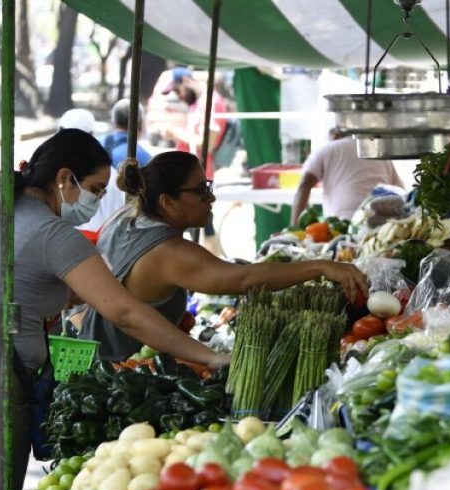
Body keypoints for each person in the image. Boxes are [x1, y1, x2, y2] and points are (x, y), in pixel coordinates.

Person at [0, 130, 230, 490]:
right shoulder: (52, 234)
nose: (99, 200)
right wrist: (208, 357)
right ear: (64, 178)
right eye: (96, 188)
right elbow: (125, 313)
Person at [80, 151, 368, 361]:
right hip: (115, 368)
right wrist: (320, 267)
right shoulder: (168, 251)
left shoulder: (126, 217)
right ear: (168, 202)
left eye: (208, 187)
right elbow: (242, 279)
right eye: (201, 191)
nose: (211, 199)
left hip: (95, 349)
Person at [163, 67, 226, 255]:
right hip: (191, 176)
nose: (179, 96)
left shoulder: (210, 102)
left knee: (203, 226)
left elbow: (209, 143)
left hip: (198, 177)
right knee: (198, 227)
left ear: (187, 81)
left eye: (178, 90)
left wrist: (176, 132)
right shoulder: (198, 103)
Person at [291, 129, 403, 225]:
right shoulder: (376, 151)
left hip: (342, 224)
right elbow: (400, 191)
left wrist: (294, 228)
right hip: (379, 225)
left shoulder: (327, 149)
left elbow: (304, 185)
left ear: (335, 134)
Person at [79, 99, 153, 234]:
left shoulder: (91, 147)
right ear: (141, 125)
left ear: (113, 122)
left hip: (86, 225)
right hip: (123, 230)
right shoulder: (143, 158)